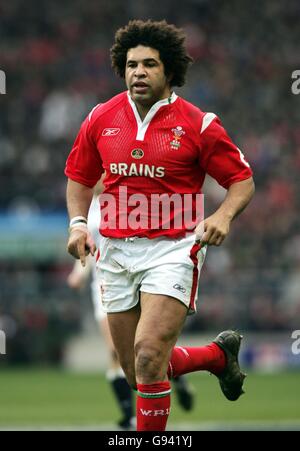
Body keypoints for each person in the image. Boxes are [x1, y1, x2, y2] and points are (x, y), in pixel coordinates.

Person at [65, 20, 255, 431]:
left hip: (174, 248)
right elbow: (79, 178)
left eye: (149, 64)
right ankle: (217, 357)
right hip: (114, 251)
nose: (138, 72)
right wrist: (78, 225)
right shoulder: (100, 117)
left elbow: (242, 179)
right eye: (132, 64)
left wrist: (222, 216)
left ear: (169, 71)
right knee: (138, 373)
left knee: (149, 355)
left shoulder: (199, 124)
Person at [67, 183, 195, 429]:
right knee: (116, 352)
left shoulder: (123, 199)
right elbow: (87, 244)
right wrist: (79, 274)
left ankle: (174, 378)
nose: (96, 179)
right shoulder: (84, 207)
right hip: (105, 282)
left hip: (135, 276)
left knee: (146, 351)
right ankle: (129, 416)